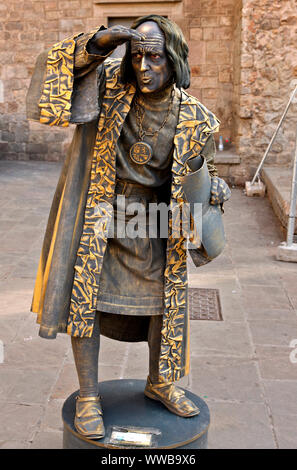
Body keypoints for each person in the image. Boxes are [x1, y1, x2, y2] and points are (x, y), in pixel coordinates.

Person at [26, 15, 231, 440]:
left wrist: (215, 186)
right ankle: (87, 394)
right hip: (100, 213)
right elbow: (58, 75)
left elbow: (204, 171)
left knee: (165, 305)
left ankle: (161, 382)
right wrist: (100, 42)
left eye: (154, 56)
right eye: (137, 56)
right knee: (88, 301)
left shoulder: (197, 118)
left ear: (173, 60)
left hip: (156, 221)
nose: (143, 66)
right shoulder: (108, 90)